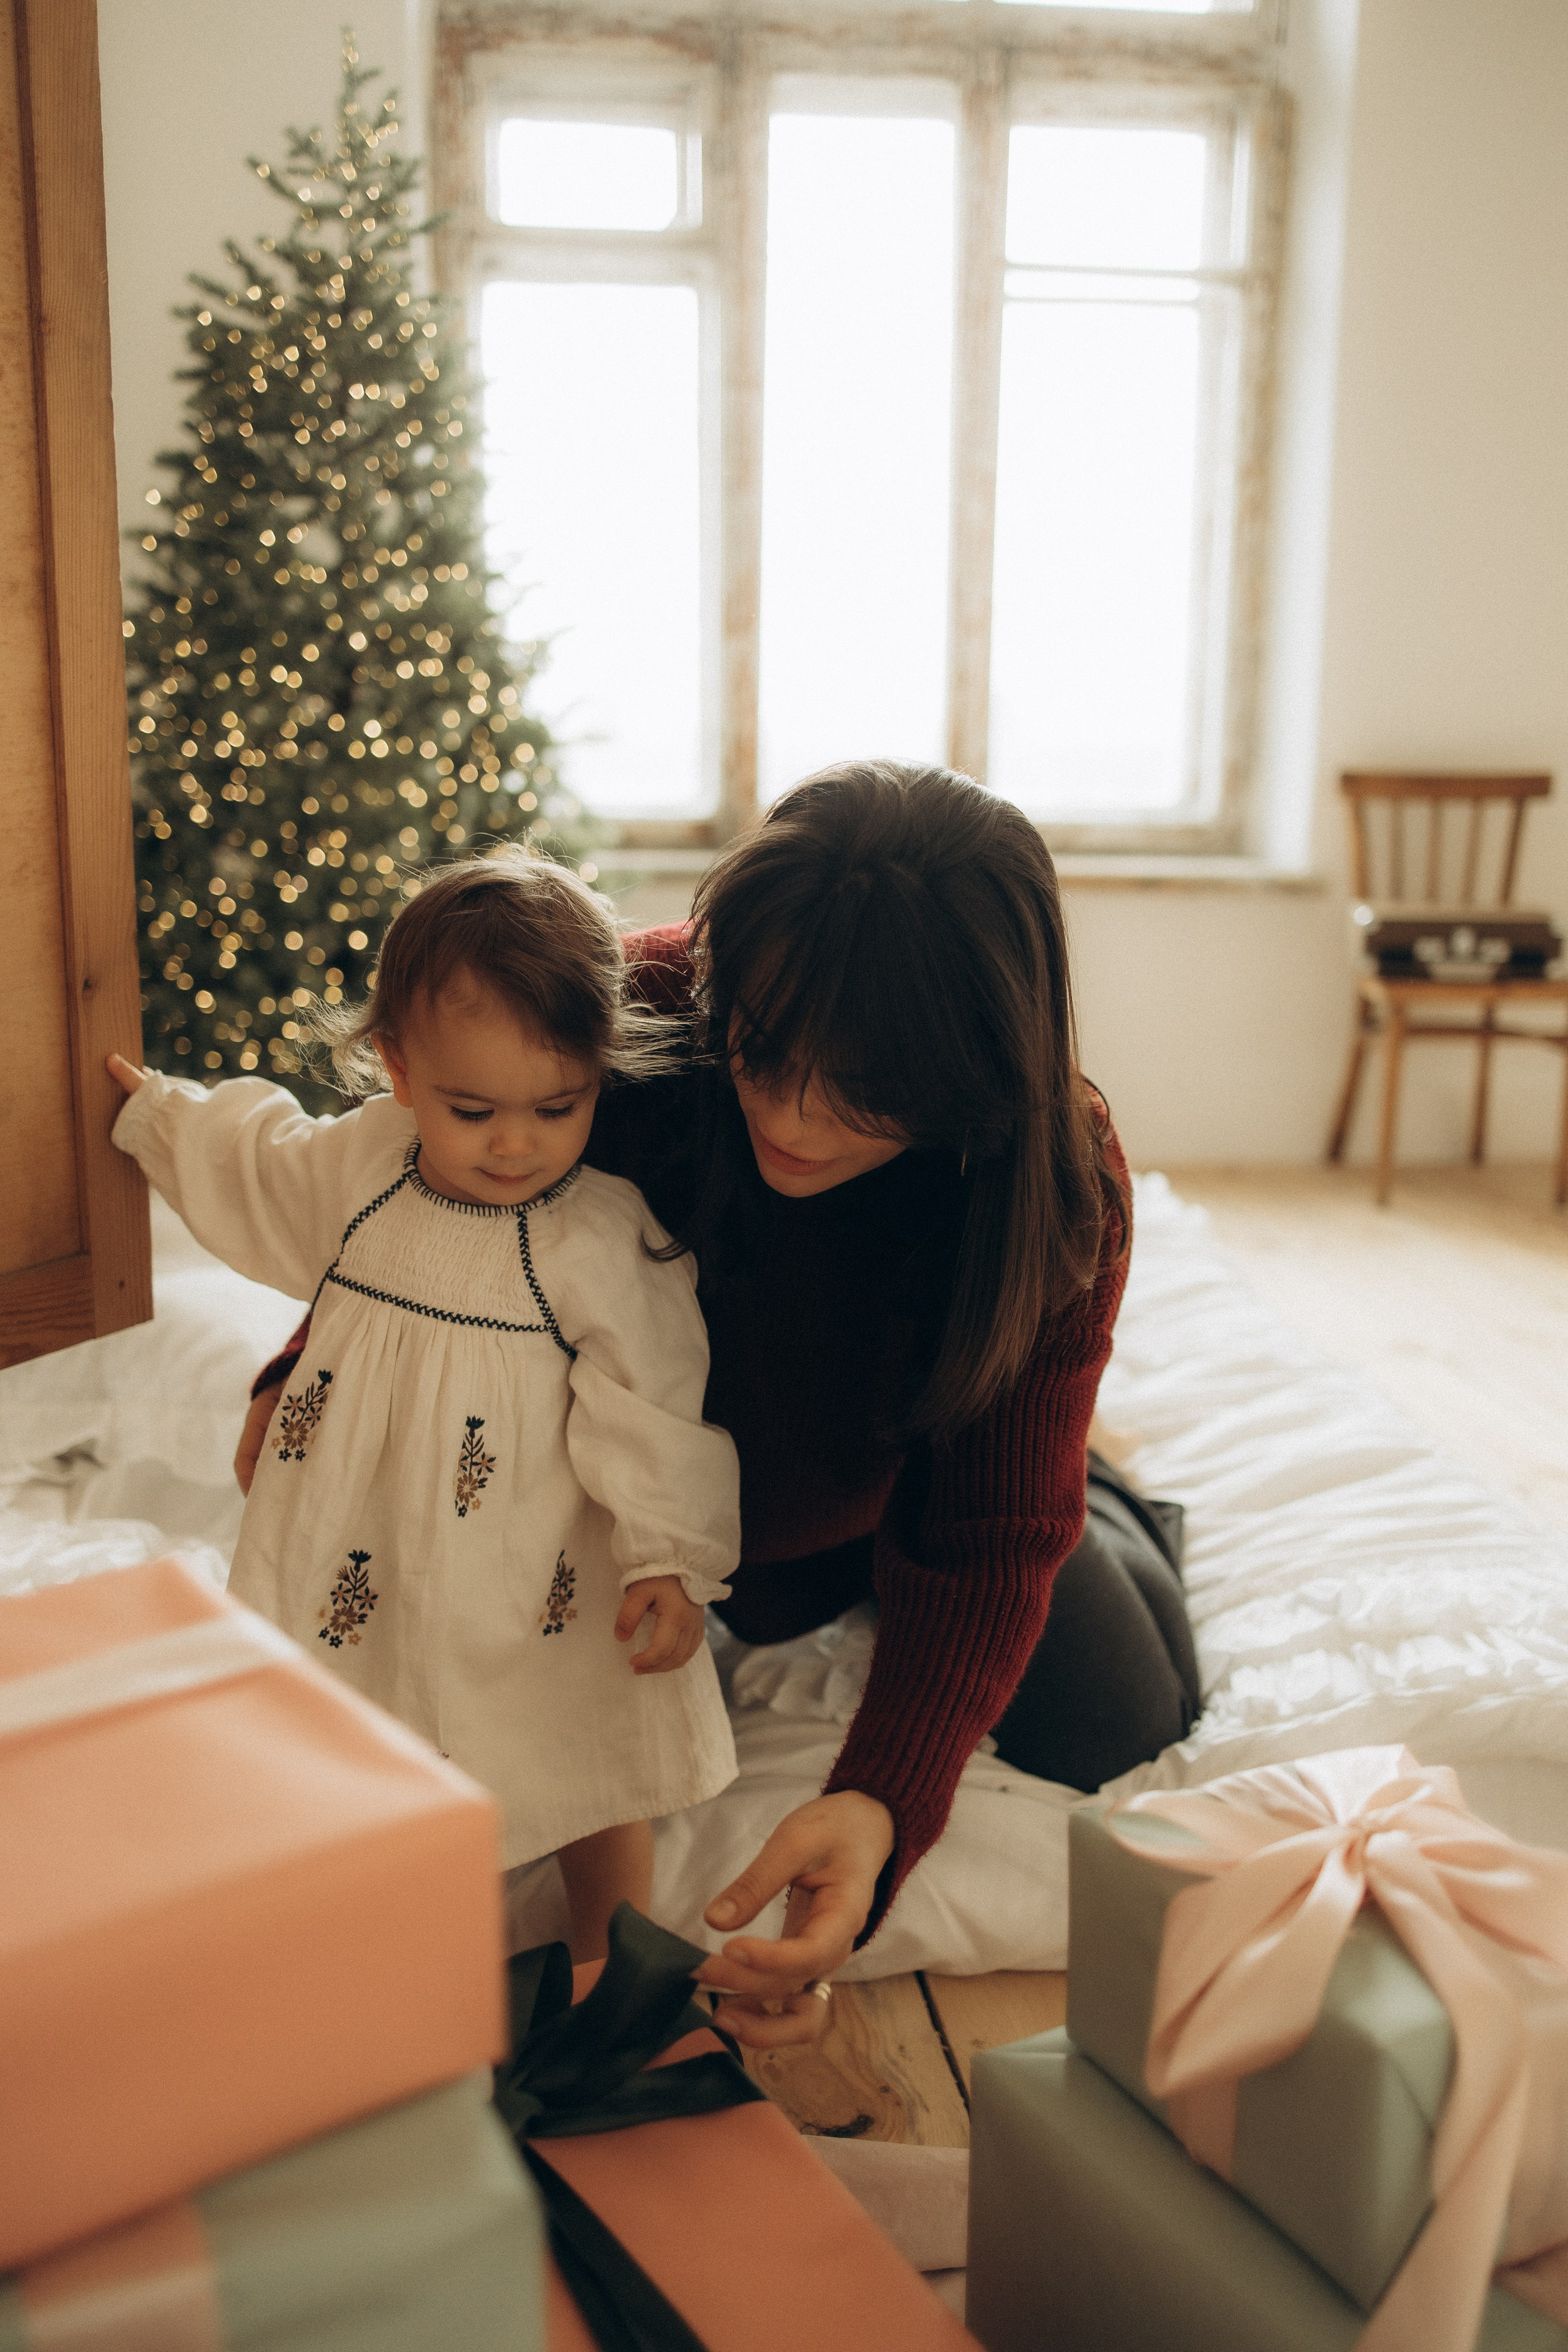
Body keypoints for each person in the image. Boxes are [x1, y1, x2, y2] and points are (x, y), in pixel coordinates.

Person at [238, 763, 1200, 2045]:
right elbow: (427, 1204)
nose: (792, 1113)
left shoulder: (1057, 1176)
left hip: (887, 1497)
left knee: (1126, 1718)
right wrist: (303, 1366)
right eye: (763, 1046)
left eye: (865, 1088)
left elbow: (985, 1546)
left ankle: (1093, 1474)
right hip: (637, 1491)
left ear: (971, 1068)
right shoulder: (621, 1013)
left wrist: (878, 1810)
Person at [108, 853, 742, 1962]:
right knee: (348, 1727)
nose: (515, 1144)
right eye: (473, 1109)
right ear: (398, 1073)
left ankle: (612, 1971)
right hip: (363, 1532)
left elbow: (653, 1406)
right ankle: (366, 1958)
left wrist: (667, 1556)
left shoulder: (597, 1236)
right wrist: (159, 1115)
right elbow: (260, 1162)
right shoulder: (365, 1170)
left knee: (595, 1761)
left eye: (558, 1106)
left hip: (535, 1562)